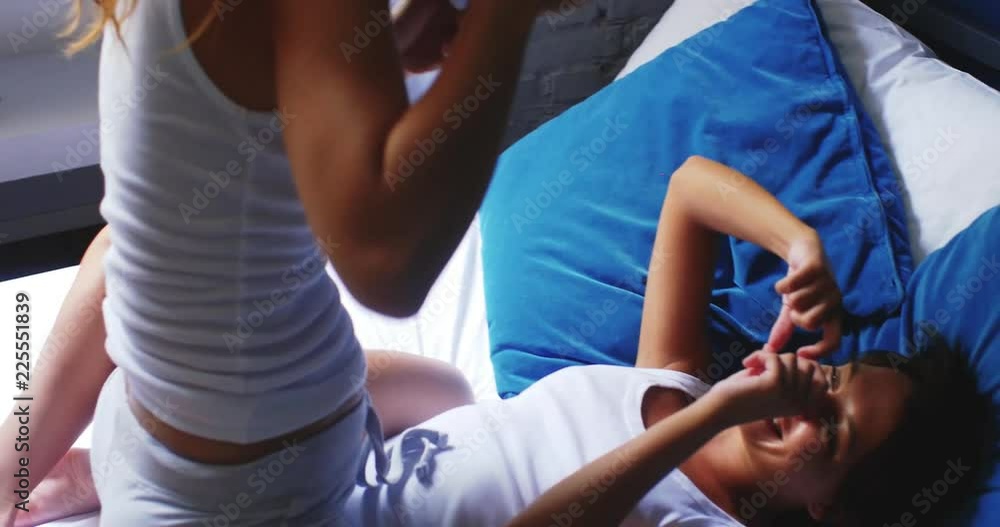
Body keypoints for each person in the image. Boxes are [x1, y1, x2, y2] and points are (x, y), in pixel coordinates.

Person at [5, 157, 986, 526]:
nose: (806, 392)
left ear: (828, 510)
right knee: (449, 388)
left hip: (304, 510)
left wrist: (719, 412)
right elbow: (689, 187)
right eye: (832, 376)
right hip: (363, 468)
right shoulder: (679, 381)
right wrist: (798, 242)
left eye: (829, 427)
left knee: (136, 256)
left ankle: (32, 471)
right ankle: (44, 471)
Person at [0, 0, 564, 525]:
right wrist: (505, 16)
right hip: (249, 485)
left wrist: (385, 41)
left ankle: (26, 473)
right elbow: (387, 268)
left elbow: (255, 64)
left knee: (451, 391)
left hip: (149, 414)